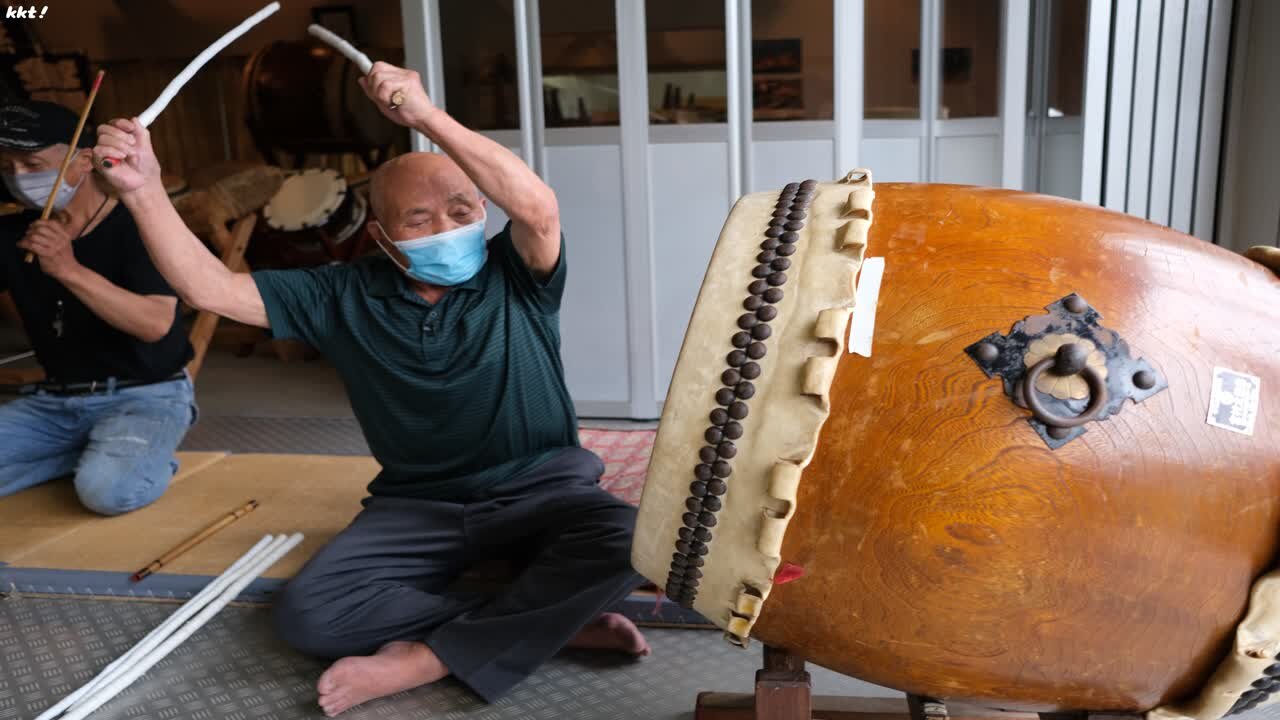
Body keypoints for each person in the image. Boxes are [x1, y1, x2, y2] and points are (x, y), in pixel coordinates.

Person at [93, 61, 648, 717]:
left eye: (463, 208)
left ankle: (434, 654)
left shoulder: (514, 272)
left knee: (637, 541)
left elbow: (537, 206)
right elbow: (209, 290)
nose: (448, 226)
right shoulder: (340, 293)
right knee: (310, 616)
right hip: (419, 505)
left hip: (542, 485)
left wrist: (426, 118)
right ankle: (543, 626)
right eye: (420, 218)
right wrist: (144, 192)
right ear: (382, 238)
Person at [0, 100, 196, 515]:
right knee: (94, 477)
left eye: (32, 164)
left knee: (106, 493)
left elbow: (157, 324)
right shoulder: (14, 232)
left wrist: (68, 270)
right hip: (53, 401)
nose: (19, 178)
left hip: (145, 395)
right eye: (7, 165)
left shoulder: (137, 223)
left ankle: (127, 461)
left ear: (84, 160)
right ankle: (83, 457)